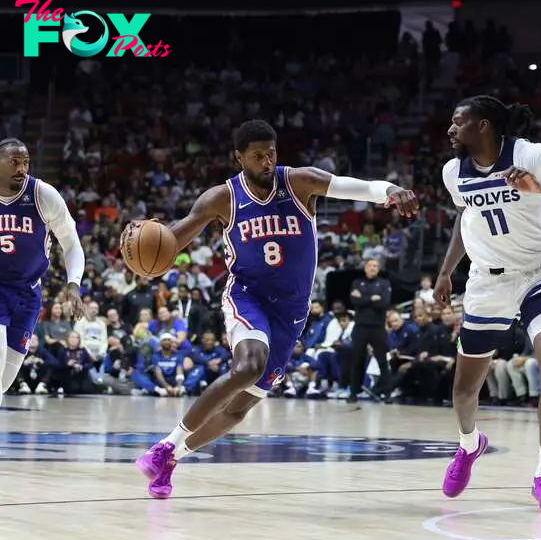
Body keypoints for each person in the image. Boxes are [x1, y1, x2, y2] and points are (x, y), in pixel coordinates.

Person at [129, 120, 418, 498]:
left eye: (271, 153)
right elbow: (175, 239)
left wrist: (392, 191)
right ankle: (165, 445)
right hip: (247, 295)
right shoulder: (222, 197)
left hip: (291, 311)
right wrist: (151, 254)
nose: (267, 162)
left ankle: (174, 458)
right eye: (257, 156)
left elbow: (356, 187)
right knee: (248, 365)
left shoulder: (300, 182)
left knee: (239, 410)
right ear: (239, 158)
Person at [433, 96, 541, 513]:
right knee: (464, 389)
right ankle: (470, 446)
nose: (450, 130)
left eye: (458, 123)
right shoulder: (454, 172)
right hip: (489, 283)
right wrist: (445, 269)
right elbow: (465, 216)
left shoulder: (530, 154)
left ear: (483, 126)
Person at [0, 138, 85, 405]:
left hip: (28, 293)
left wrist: (73, 284)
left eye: (25, 162)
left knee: (4, 380)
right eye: (14, 162)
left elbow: (71, 244)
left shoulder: (43, 195)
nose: (21, 168)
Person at [348, 258, 392, 402]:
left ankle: (387, 393)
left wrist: (364, 298)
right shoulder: (356, 282)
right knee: (357, 360)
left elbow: (384, 303)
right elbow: (355, 301)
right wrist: (372, 298)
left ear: (378, 269)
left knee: (382, 361)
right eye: (370, 265)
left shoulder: (384, 283)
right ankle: (354, 392)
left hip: (377, 327)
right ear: (365, 268)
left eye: (375, 266)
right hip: (360, 326)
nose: (373, 268)